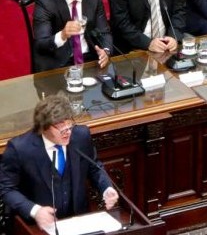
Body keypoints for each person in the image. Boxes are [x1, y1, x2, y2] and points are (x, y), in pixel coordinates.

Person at [0, 94, 119, 231]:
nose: (67, 132)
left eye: (69, 124)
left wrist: (106, 187)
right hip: (38, 227)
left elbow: (94, 167)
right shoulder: (20, 149)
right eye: (61, 127)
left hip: (78, 222)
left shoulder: (81, 136)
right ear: (44, 127)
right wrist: (35, 210)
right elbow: (6, 188)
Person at [33, 0, 112, 73]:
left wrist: (106, 51)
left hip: (91, 59)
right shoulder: (45, 2)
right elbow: (41, 44)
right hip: (59, 63)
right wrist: (62, 35)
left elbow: (104, 31)